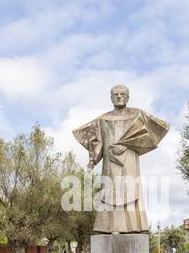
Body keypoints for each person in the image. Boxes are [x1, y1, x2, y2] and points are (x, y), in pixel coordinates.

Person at [72, 85, 169, 234]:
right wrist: (92, 160)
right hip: (110, 160)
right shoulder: (103, 119)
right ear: (111, 97)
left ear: (128, 97)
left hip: (129, 157)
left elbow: (159, 128)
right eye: (115, 94)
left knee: (130, 190)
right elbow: (95, 139)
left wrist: (127, 144)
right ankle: (111, 227)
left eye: (122, 94)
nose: (119, 97)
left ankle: (133, 227)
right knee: (111, 191)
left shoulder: (138, 115)